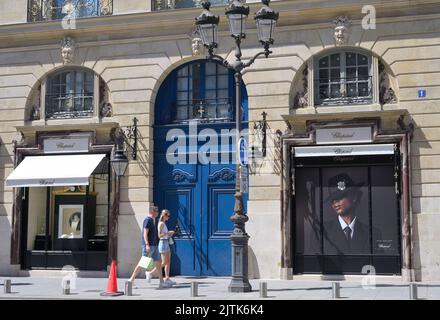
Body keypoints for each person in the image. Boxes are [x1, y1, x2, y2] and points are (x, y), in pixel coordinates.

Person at [323, 173, 370, 254]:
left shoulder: (372, 233)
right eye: (332, 198)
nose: (335, 202)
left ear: (354, 197)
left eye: (340, 196)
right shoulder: (321, 232)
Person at [128, 205, 169, 289]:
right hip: (149, 246)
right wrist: (147, 244)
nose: (158, 213)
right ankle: (131, 280)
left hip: (154, 245)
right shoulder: (147, 220)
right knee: (143, 263)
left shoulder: (152, 220)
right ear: (152, 212)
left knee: (158, 263)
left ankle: (161, 282)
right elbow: (145, 233)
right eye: (156, 212)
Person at [157, 209, 176, 286]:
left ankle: (167, 278)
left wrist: (169, 234)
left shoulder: (164, 223)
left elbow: (164, 235)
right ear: (164, 215)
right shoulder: (161, 224)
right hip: (163, 243)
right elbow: (159, 235)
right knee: (164, 262)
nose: (168, 217)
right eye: (168, 215)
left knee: (168, 262)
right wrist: (168, 233)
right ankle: (150, 273)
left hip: (166, 242)